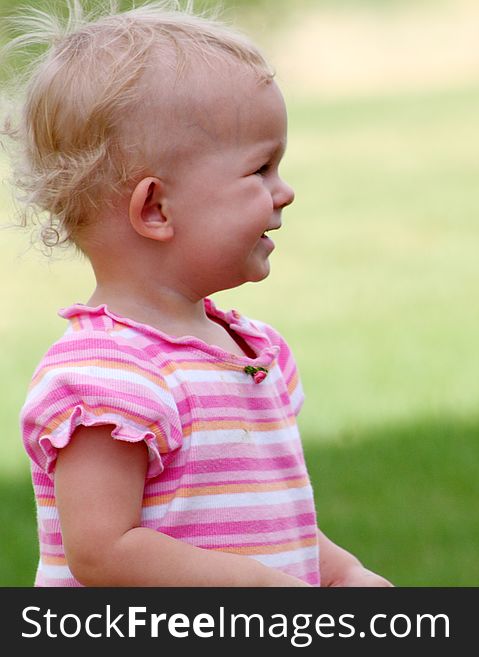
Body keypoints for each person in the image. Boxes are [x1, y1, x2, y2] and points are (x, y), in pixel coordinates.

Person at [5, 1, 392, 587]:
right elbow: (103, 549)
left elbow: (269, 517)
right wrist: (255, 584)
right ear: (156, 208)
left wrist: (341, 574)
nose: (284, 192)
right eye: (260, 169)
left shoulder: (251, 351)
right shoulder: (107, 379)